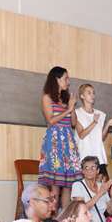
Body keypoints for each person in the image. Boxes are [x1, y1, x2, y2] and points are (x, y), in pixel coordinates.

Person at [39, 66, 81, 210]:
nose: (68, 82)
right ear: (56, 79)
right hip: (55, 142)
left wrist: (72, 108)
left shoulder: (66, 99)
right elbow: (51, 120)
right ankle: (53, 216)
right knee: (55, 184)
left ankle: (65, 218)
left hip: (68, 142)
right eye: (66, 78)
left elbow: (73, 123)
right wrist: (68, 110)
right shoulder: (47, 97)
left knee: (68, 184)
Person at [73, 83, 112, 179]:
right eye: (89, 93)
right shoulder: (77, 113)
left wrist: (108, 125)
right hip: (84, 157)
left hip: (98, 156)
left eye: (93, 93)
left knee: (103, 184)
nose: (92, 95)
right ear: (82, 96)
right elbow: (81, 135)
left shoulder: (100, 114)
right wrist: (94, 122)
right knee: (86, 185)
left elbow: (101, 138)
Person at [70, 156, 112, 222]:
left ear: (98, 171)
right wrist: (100, 193)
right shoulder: (77, 185)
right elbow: (79, 210)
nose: (89, 170)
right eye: (86, 168)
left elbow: (110, 211)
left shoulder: (101, 186)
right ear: (82, 171)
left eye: (93, 167)